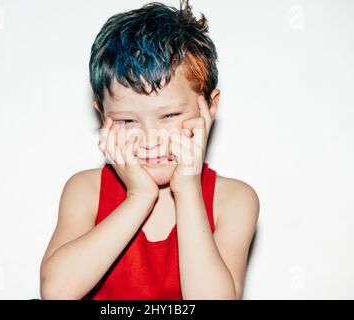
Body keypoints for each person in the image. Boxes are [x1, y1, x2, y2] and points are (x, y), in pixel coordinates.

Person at [40, 0, 259, 300]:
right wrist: (139, 197)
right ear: (103, 117)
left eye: (169, 116)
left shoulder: (232, 200)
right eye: (127, 120)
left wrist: (188, 190)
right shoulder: (86, 191)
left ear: (210, 106)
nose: (149, 138)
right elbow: (57, 292)